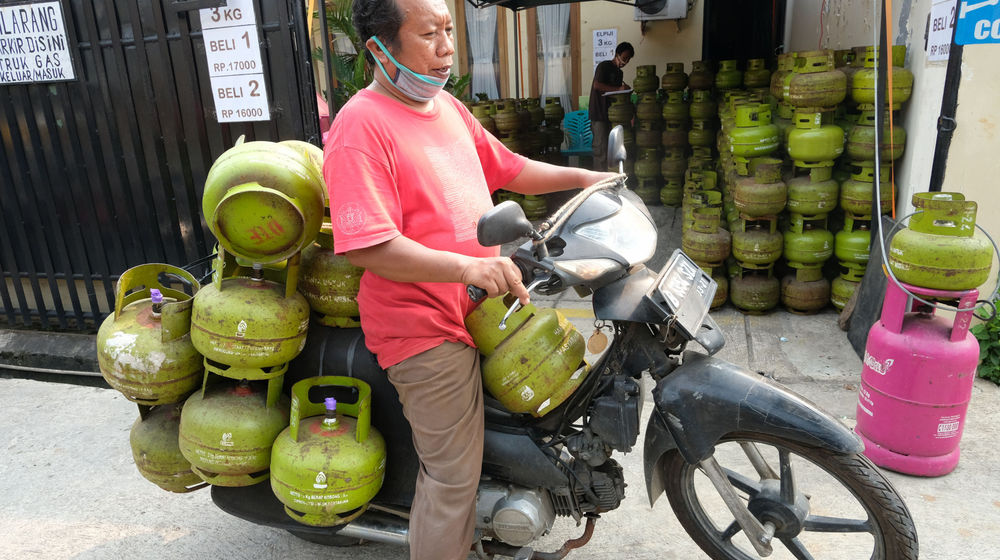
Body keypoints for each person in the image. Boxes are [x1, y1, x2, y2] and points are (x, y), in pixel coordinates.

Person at [322, 0, 616, 558]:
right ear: (379, 49)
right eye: (429, 33)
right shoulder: (360, 126)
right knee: (453, 478)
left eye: (450, 31)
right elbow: (370, 246)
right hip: (424, 328)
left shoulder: (447, 109)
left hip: (485, 304)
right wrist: (466, 266)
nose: (446, 48)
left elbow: (510, 168)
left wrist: (588, 178)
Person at [588, 42, 634, 172]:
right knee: (600, 150)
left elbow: (616, 93)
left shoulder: (619, 73)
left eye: (628, 59)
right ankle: (599, 184)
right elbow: (597, 85)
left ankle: (609, 180)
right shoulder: (604, 66)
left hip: (611, 115)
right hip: (599, 114)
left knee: (612, 149)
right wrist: (619, 88)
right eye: (624, 58)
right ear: (617, 54)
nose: (625, 61)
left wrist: (624, 91)